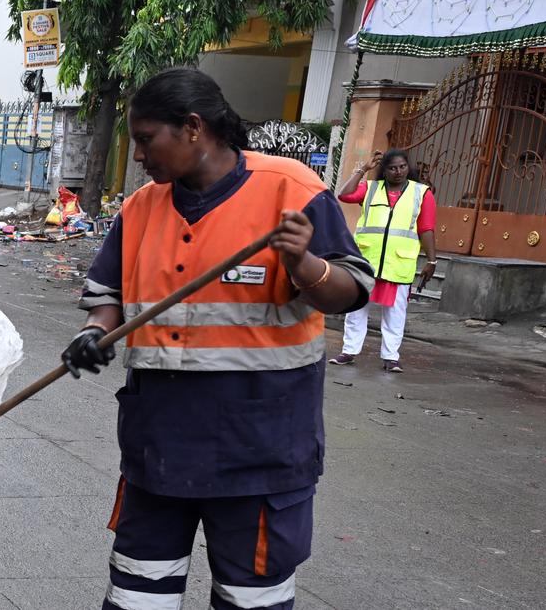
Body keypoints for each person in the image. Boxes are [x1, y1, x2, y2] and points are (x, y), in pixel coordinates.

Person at [61, 69, 372, 610]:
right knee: (138, 595)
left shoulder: (291, 189)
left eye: (146, 139)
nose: (139, 156)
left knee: (251, 599)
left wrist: (303, 263)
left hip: (260, 449)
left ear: (193, 127)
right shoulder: (140, 207)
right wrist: (94, 333)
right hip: (158, 445)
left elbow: (350, 292)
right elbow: (107, 293)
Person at [329, 149, 437, 373]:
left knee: (395, 314)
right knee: (357, 308)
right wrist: (363, 169)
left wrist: (432, 261)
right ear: (384, 170)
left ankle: (391, 357)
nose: (398, 172)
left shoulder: (422, 193)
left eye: (402, 167)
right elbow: (345, 195)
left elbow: (426, 228)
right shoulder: (371, 188)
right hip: (366, 261)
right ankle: (348, 351)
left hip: (398, 263)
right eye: (392, 168)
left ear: (408, 167)